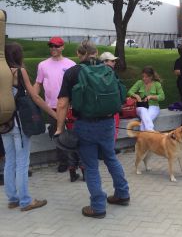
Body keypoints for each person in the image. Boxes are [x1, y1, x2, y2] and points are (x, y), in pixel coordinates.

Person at [55, 40, 129, 219]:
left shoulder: (73, 72)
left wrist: (59, 128)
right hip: (108, 123)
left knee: (91, 166)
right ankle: (122, 194)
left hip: (85, 125)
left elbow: (63, 103)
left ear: (80, 55)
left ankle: (97, 207)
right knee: (111, 158)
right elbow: (120, 95)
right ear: (96, 53)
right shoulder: (108, 70)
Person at [2, 42, 56, 211]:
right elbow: (36, 97)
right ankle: (26, 201)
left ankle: (12, 198)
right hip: (19, 124)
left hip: (4, 124)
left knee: (10, 160)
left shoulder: (2, 72)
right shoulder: (19, 71)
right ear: (18, 55)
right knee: (23, 162)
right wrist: (55, 116)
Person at [34, 37, 76, 174]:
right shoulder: (42, 65)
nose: (53, 48)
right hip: (51, 106)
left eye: (56, 46)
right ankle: (63, 161)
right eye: (51, 46)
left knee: (72, 135)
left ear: (62, 47)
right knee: (57, 134)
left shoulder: (71, 64)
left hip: (69, 106)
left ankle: (74, 162)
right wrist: (33, 96)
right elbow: (38, 83)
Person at [128, 66, 165, 132]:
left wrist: (151, 97)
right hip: (141, 106)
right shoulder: (139, 82)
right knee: (143, 110)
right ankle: (151, 131)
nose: (144, 78)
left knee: (145, 121)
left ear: (151, 77)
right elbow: (129, 92)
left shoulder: (157, 84)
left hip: (153, 106)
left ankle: (143, 137)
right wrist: (136, 96)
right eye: (143, 76)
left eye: (146, 77)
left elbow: (162, 97)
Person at [99, 52, 121, 145]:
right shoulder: (109, 72)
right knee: (113, 127)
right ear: (104, 62)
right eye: (112, 61)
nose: (114, 62)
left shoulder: (96, 72)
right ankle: (110, 149)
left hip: (102, 107)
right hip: (111, 106)